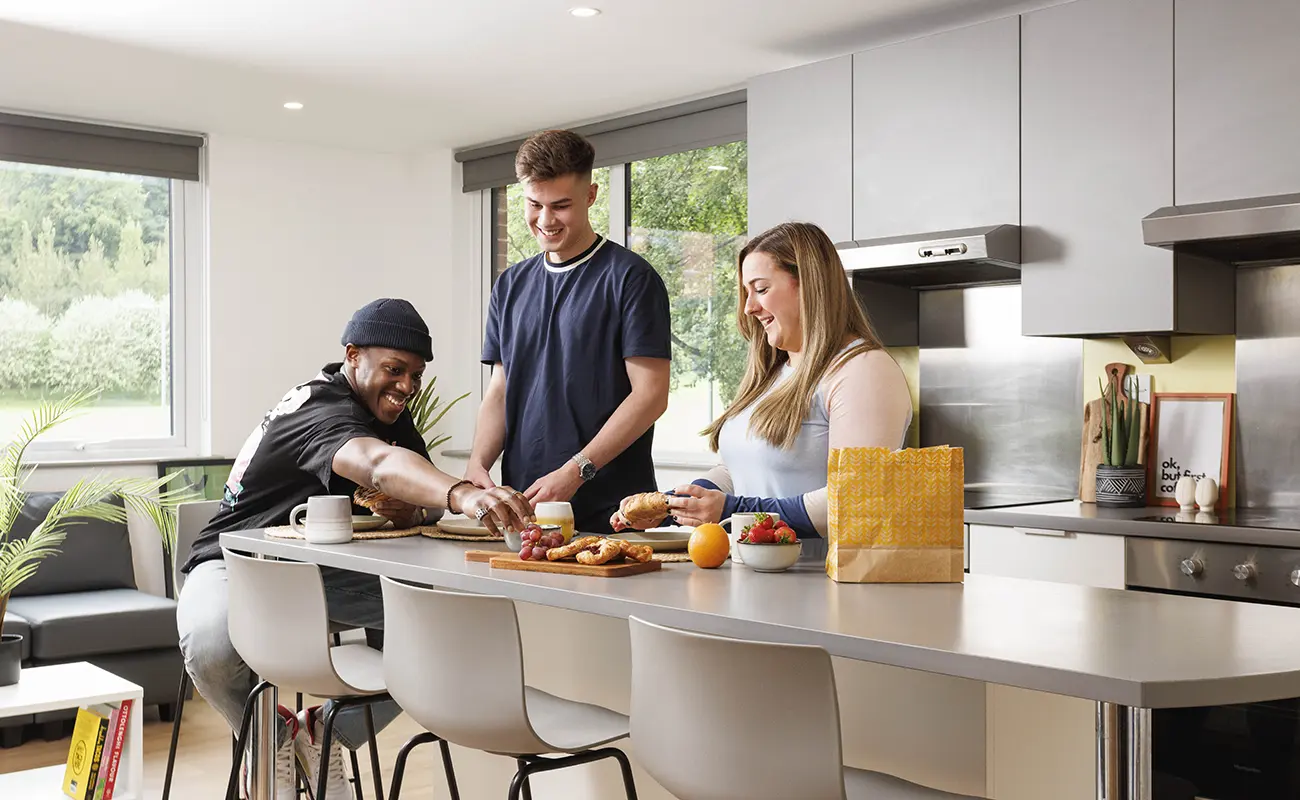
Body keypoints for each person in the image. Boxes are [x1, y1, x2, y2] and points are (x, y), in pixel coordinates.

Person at [177, 298, 532, 799]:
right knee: (212, 644)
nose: (406, 386)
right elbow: (377, 462)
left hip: (319, 577)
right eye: (394, 369)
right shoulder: (319, 406)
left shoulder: (391, 418)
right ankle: (269, 736)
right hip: (233, 563)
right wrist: (462, 492)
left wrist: (414, 509)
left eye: (415, 374)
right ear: (352, 355)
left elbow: (410, 486)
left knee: (439, 626)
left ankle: (324, 732)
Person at [646, 221, 913, 538]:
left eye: (760, 289)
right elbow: (740, 469)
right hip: (753, 574)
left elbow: (853, 499)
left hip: (821, 581)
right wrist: (678, 504)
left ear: (810, 285)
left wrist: (732, 510)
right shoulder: (772, 372)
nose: (749, 307)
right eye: (747, 292)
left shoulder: (863, 370)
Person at [466, 129, 672, 533]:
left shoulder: (631, 278)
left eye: (560, 205)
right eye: (534, 204)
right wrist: (477, 463)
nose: (545, 220)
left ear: (591, 195)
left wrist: (577, 471)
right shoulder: (510, 285)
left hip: (612, 514)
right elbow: (500, 390)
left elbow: (651, 396)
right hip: (525, 509)